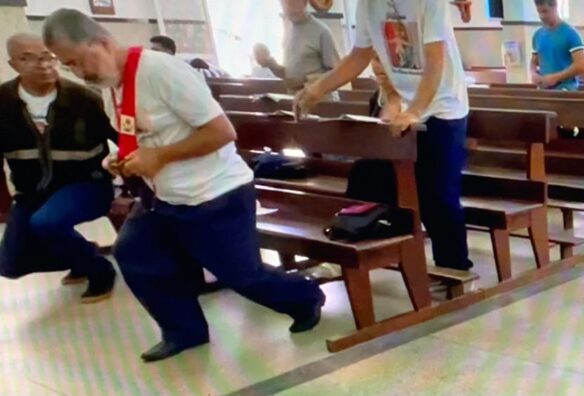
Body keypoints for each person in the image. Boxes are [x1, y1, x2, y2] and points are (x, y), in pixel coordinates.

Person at [44, 9, 326, 363]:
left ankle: (304, 296)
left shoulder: (161, 71)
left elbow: (223, 133)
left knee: (241, 275)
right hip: (162, 197)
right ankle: (184, 331)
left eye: (78, 61)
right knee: (134, 253)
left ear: (101, 41)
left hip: (215, 194)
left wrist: (160, 157)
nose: (79, 73)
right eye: (69, 67)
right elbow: (135, 136)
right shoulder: (110, 86)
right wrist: (117, 159)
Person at [295, 0, 472, 279]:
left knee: (437, 195)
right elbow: (359, 56)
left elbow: (435, 59)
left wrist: (415, 110)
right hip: (407, 111)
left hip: (443, 107)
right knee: (368, 175)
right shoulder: (367, 5)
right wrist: (318, 88)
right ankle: (356, 250)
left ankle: (456, 272)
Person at [0, 33, 116, 303]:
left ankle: (100, 271)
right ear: (13, 64)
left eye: (47, 57)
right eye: (28, 58)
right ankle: (83, 253)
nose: (42, 65)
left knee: (47, 222)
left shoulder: (84, 98)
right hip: (32, 192)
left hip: (87, 184)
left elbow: (121, 138)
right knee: (10, 264)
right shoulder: (3, 103)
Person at [259, 0, 341, 93]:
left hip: (321, 101)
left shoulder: (322, 32)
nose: (290, 8)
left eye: (293, 3)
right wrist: (269, 62)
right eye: (286, 4)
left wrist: (305, 81)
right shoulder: (288, 28)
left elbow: (336, 73)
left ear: (305, 2)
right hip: (294, 99)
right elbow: (290, 74)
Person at [530, 0, 584, 91]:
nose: (542, 16)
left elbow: (581, 66)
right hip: (543, 89)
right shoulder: (538, 35)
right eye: (539, 12)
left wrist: (556, 77)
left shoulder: (570, 33)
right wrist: (533, 73)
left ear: (555, 7)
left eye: (545, 11)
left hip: (565, 89)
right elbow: (534, 61)